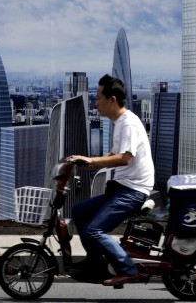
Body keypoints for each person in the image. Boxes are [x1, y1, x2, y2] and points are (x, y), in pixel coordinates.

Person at [64, 74, 155, 287]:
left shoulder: (129, 124)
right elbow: (110, 157)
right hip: (121, 188)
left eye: (98, 98)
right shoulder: (120, 123)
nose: (96, 103)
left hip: (133, 190)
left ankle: (127, 269)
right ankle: (96, 263)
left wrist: (93, 160)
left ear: (112, 99)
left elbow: (124, 158)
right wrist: (83, 161)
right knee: (80, 211)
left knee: (95, 229)